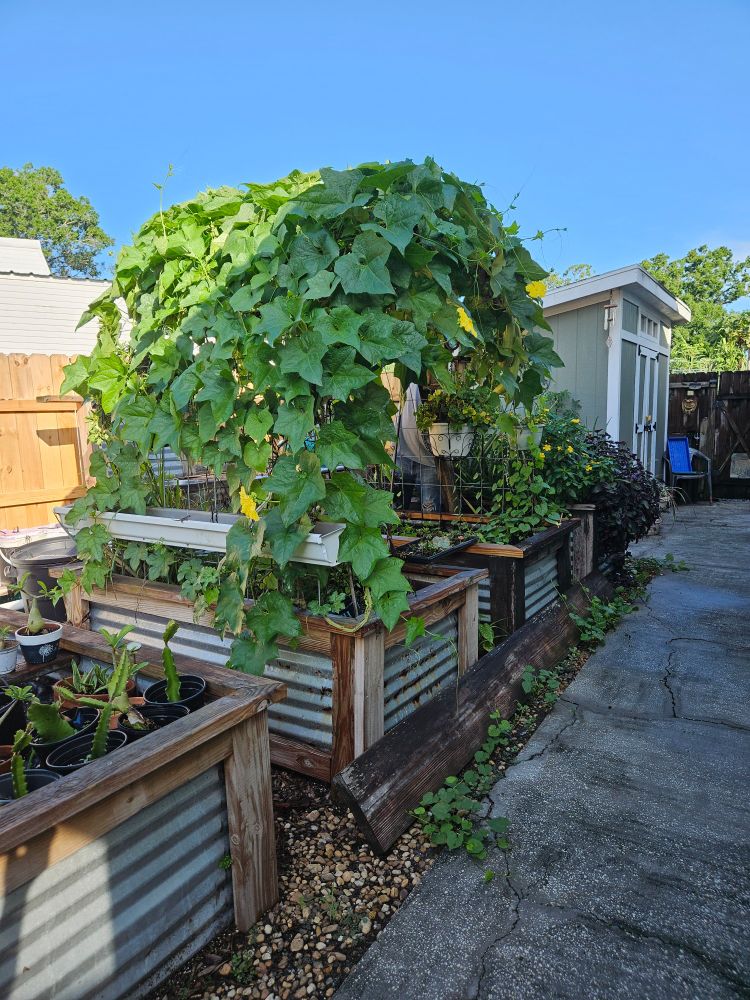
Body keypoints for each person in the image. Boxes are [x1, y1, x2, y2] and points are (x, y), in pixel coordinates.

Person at [393, 383, 442, 513]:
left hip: (429, 460)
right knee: (395, 511)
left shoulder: (440, 384)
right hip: (403, 453)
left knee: (430, 512)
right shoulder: (411, 379)